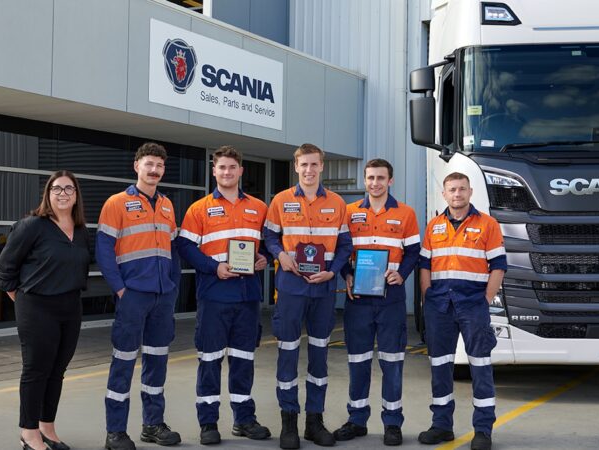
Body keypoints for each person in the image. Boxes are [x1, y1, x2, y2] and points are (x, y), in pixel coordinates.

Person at [177, 146, 271, 445]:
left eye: (232, 167)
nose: (227, 172)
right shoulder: (199, 208)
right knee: (210, 360)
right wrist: (213, 267)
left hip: (247, 297)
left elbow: (270, 242)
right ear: (214, 171)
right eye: (222, 167)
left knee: (244, 359)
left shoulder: (259, 207)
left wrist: (265, 257)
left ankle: (244, 420)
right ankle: (208, 423)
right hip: (214, 296)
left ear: (241, 171)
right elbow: (185, 246)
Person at [264, 143, 353, 449]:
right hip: (291, 288)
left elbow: (345, 245)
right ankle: (288, 422)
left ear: (322, 167)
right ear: (296, 166)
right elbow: (269, 236)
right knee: (287, 354)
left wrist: (334, 271)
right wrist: (280, 255)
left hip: (323, 289)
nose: (309, 170)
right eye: (304, 164)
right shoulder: (281, 200)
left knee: (319, 357)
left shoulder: (337, 203)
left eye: (314, 164)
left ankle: (314, 422)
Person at [96, 142, 182, 450]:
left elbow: (173, 250)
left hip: (162, 297)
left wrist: (173, 285)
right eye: (149, 164)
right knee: (123, 361)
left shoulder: (167, 205)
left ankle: (153, 424)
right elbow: (104, 250)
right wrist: (120, 288)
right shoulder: (116, 203)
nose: (154, 170)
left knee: (157, 361)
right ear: (137, 166)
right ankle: (115, 431)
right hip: (132, 296)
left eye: (159, 165)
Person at [0, 170, 90, 450]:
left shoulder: (81, 230)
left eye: (69, 189)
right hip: (37, 306)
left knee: (57, 370)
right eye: (56, 188)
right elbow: (5, 268)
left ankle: (47, 428)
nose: (63, 194)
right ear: (48, 194)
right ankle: (29, 433)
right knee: (36, 370)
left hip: (70, 308)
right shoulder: (32, 225)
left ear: (76, 196)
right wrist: (24, 301)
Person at [332, 159, 420, 446]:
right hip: (357, 299)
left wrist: (401, 274)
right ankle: (357, 420)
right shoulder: (349, 212)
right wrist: (346, 274)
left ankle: (392, 423)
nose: (375, 183)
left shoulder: (406, 213)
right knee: (358, 360)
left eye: (381, 178)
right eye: (370, 177)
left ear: (390, 181)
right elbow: (341, 250)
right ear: (364, 180)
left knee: (392, 362)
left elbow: (414, 252)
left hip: (390, 299)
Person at [417, 172, 506, 450]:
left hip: (473, 306)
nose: (457, 194)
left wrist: (485, 300)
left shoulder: (488, 224)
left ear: (470, 192)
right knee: (440, 366)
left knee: (480, 366)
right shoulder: (434, 226)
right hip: (439, 307)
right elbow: (425, 265)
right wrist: (428, 296)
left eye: (462, 189)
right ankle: (442, 425)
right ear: (444, 194)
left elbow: (498, 267)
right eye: (452, 189)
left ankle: (483, 430)